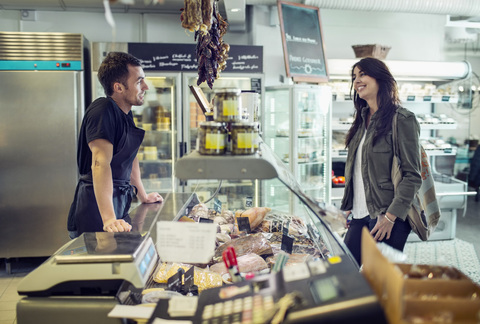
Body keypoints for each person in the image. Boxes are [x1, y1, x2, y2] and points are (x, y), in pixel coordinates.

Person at [67, 52, 163, 239]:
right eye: (139, 81)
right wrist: (109, 218)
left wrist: (143, 196)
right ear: (118, 87)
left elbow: (130, 158)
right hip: (95, 209)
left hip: (117, 203)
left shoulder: (125, 114)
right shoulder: (102, 110)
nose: (146, 87)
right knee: (98, 267)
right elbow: (100, 164)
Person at [340, 57, 422, 266]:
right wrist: (347, 206)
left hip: (387, 215)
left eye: (362, 74)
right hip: (359, 214)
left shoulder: (402, 119)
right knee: (347, 268)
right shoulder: (361, 119)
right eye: (354, 76)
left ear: (380, 78)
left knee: (380, 280)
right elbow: (357, 170)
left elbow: (412, 176)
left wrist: (390, 218)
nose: (357, 80)